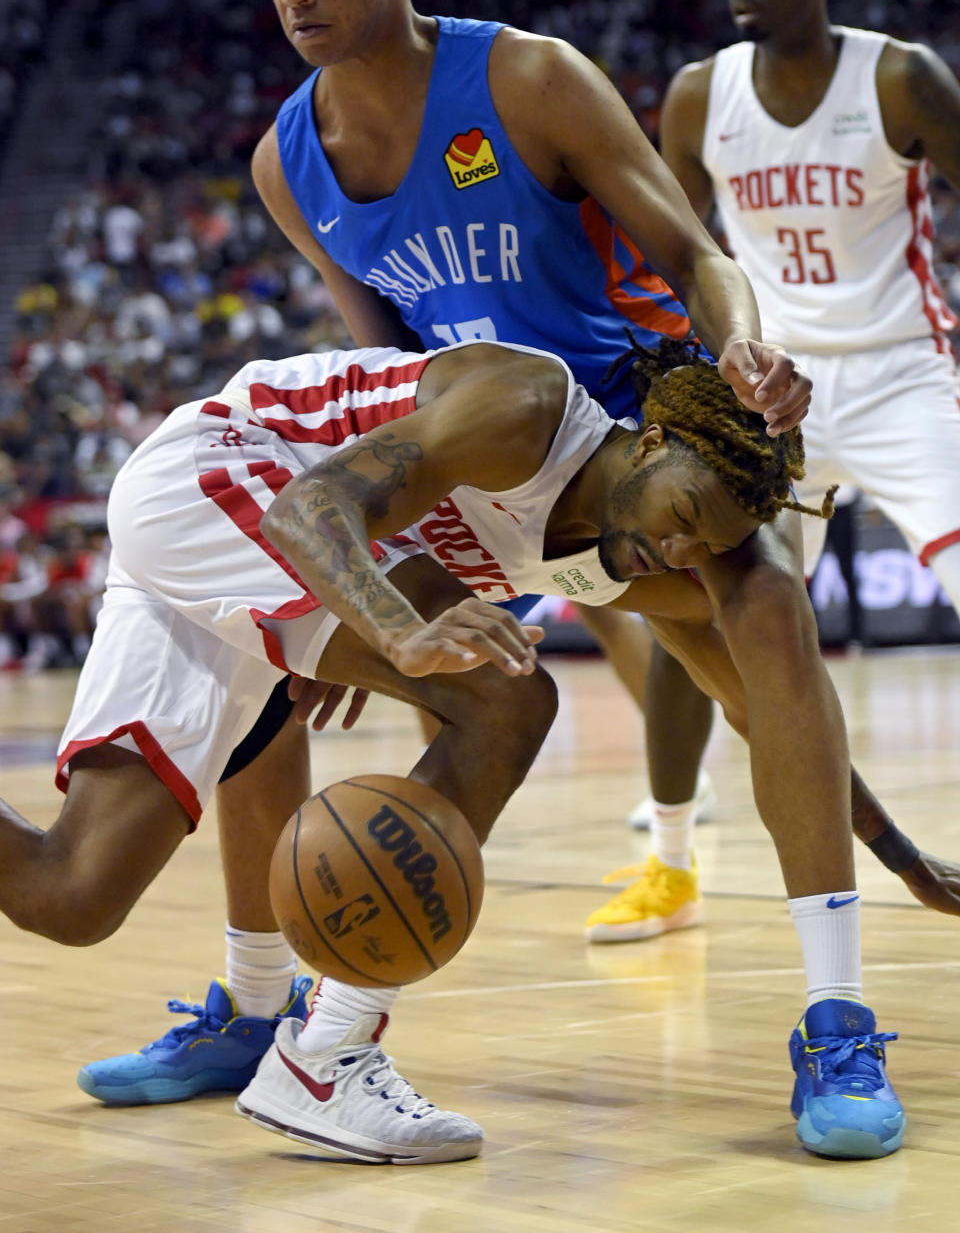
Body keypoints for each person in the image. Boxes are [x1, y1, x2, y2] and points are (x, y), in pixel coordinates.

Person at [77, 0, 957, 1146]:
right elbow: (382, 375)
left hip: (631, 438)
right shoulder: (286, 161)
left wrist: (743, 348)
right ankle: (270, 1015)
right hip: (477, 465)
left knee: (765, 634)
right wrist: (363, 592)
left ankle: (834, 1027)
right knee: (269, 661)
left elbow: (687, 244)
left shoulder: (529, 79)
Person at [0, 333, 906, 1161]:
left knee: (71, 894)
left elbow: (772, 719)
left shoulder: (626, 554)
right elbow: (309, 510)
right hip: (223, 472)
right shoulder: (528, 406)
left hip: (220, 530)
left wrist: (896, 853)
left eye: (704, 545)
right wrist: (387, 629)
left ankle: (288, 1033)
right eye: (685, 512)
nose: (677, 549)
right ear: (656, 440)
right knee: (507, 704)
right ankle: (323, 1053)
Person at [589, 0, 960, 940]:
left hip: (897, 373)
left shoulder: (899, 77)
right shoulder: (701, 94)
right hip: (766, 387)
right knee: (692, 604)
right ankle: (670, 864)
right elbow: (677, 247)